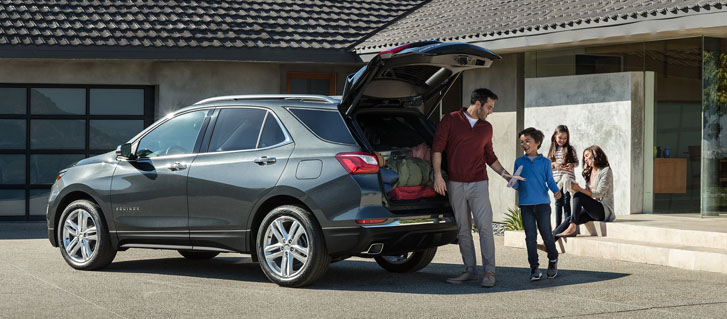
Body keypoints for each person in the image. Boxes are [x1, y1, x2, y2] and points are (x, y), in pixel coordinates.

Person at [432, 88, 520, 288]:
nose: (491, 111)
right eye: (489, 107)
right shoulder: (451, 120)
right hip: (455, 183)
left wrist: (508, 177)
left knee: (485, 227)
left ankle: (489, 271)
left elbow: (489, 156)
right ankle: (469, 270)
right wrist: (438, 176)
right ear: (478, 104)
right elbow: (437, 148)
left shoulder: (486, 128)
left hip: (479, 183)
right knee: (463, 229)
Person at [511, 127, 562, 281]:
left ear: (537, 142)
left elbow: (550, 181)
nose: (524, 144)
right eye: (522, 142)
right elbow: (516, 183)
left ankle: (553, 258)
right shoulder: (519, 162)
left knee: (547, 234)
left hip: (542, 205)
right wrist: (513, 183)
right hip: (525, 205)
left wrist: (556, 191)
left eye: (527, 141)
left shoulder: (545, 162)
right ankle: (534, 268)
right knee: (530, 237)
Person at [554, 145, 615, 237]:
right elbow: (587, 193)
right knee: (569, 219)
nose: (585, 159)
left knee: (579, 195)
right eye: (584, 157)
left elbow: (599, 193)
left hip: (603, 210)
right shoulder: (590, 171)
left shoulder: (606, 171)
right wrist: (574, 187)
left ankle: (573, 227)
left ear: (595, 154)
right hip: (591, 209)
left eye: (587, 155)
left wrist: (579, 189)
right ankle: (548, 242)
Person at [547, 125, 579, 228]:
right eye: (560, 138)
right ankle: (558, 226)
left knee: (566, 201)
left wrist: (572, 165)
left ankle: (567, 225)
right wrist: (554, 164)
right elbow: (548, 165)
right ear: (555, 136)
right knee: (557, 202)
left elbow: (577, 162)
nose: (562, 140)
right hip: (556, 180)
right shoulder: (552, 150)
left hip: (567, 180)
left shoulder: (570, 149)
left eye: (565, 138)